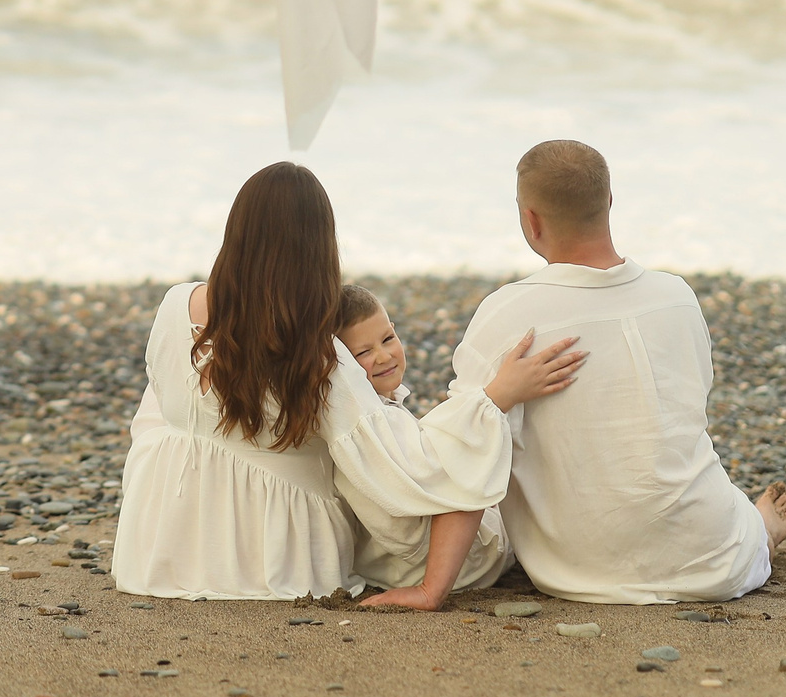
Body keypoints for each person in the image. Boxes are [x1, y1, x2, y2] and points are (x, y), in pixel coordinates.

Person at [111, 162, 584, 602]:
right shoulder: (317, 354)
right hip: (271, 562)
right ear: (318, 248)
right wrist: (495, 398)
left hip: (155, 546)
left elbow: (161, 412)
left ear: (236, 233)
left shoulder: (175, 306)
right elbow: (408, 472)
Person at [438, 140, 786, 604]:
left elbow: (465, 441)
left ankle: (758, 530)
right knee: (726, 512)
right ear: (609, 201)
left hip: (580, 569)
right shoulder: (677, 297)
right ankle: (758, 532)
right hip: (714, 559)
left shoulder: (507, 315)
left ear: (531, 219)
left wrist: (434, 587)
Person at [335, 284, 518, 609]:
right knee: (482, 435)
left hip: (393, 565)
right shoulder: (372, 424)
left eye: (388, 338)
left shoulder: (374, 412)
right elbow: (455, 470)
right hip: (464, 567)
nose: (384, 356)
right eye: (363, 353)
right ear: (344, 369)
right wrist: (498, 396)